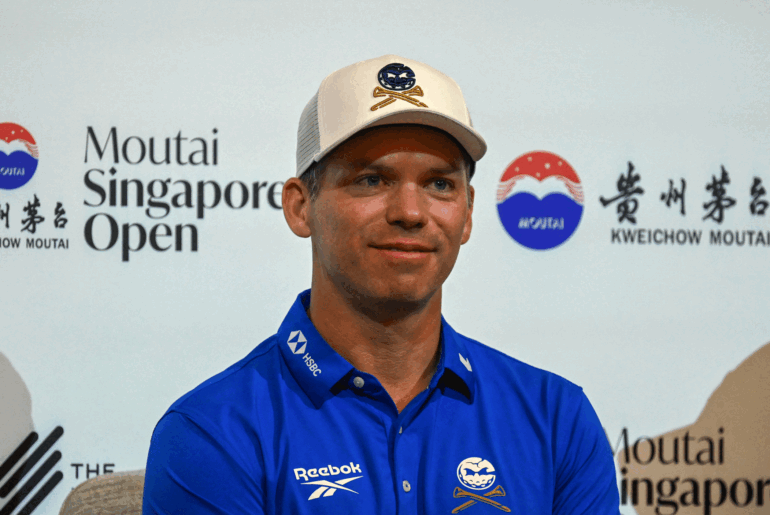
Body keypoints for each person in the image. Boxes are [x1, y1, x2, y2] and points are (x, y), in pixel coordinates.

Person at [142, 54, 620, 514]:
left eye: (439, 184)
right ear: (299, 206)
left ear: (469, 212)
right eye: (371, 180)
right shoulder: (213, 431)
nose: (410, 213)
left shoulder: (557, 420)